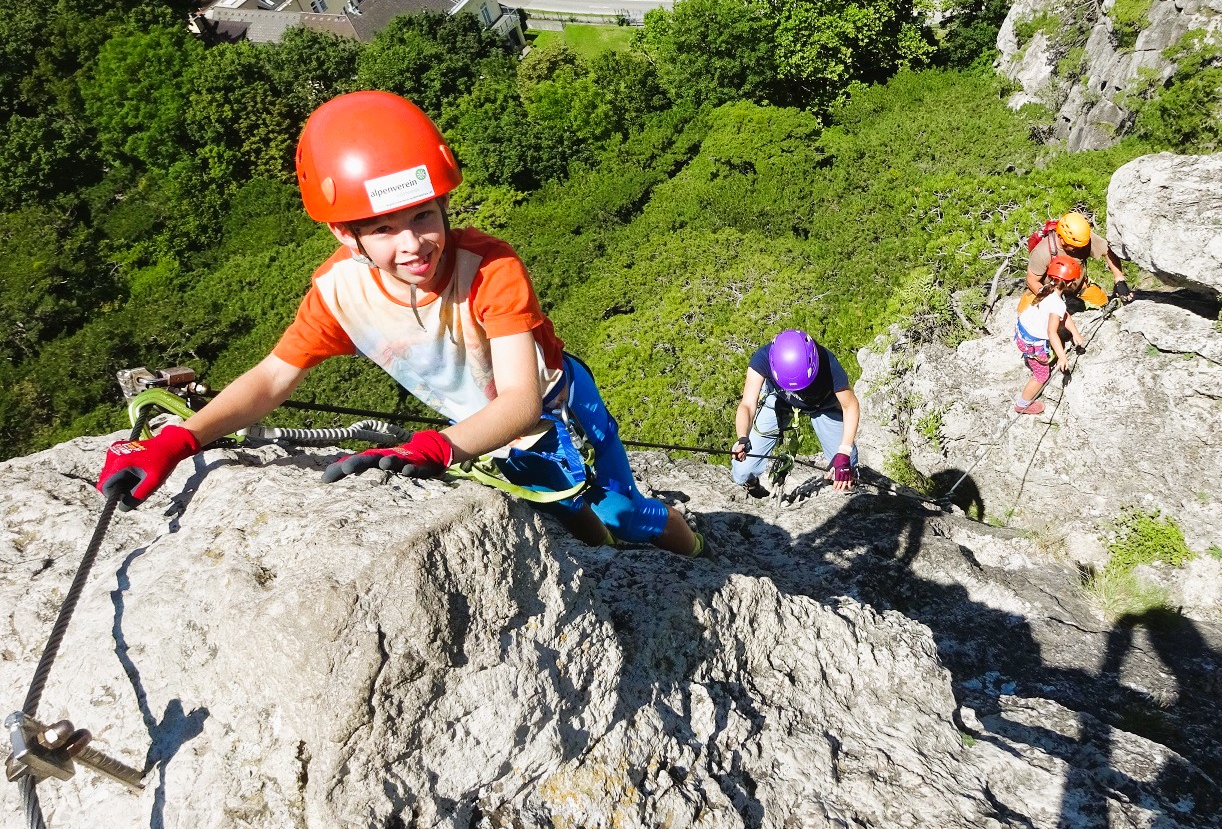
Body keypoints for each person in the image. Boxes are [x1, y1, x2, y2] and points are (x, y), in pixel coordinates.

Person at [96, 91, 703, 557]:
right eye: (383, 229)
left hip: (557, 405)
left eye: (423, 216)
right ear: (345, 233)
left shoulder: (488, 268)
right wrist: (179, 441)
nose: (412, 244)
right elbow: (273, 378)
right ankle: (603, 561)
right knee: (566, 514)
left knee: (621, 512)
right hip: (477, 434)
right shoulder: (341, 293)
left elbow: (521, 401)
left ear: (444, 207)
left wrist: (439, 447)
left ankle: (696, 550)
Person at [730, 330, 860, 495]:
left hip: (823, 405)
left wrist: (844, 451)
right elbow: (747, 405)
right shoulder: (763, 358)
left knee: (845, 471)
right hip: (779, 398)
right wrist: (742, 438)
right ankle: (751, 482)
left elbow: (850, 405)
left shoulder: (829, 364)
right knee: (742, 471)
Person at [1014, 255, 1087, 415]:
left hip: (1022, 332)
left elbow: (1064, 314)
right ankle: (1022, 404)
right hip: (1032, 342)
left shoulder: (1046, 289)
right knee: (1042, 374)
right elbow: (1051, 332)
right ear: (1069, 283)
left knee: (1045, 355)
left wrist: (1074, 332)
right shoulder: (1057, 303)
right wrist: (1062, 356)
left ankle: (1032, 357)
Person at [1023, 211, 1133, 309]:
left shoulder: (1083, 240)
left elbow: (1108, 251)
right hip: (1049, 290)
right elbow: (1032, 280)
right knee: (1025, 313)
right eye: (1074, 246)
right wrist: (1050, 299)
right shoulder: (1042, 252)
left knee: (1104, 303)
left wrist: (1119, 279)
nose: (1079, 248)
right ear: (1062, 239)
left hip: (1079, 287)